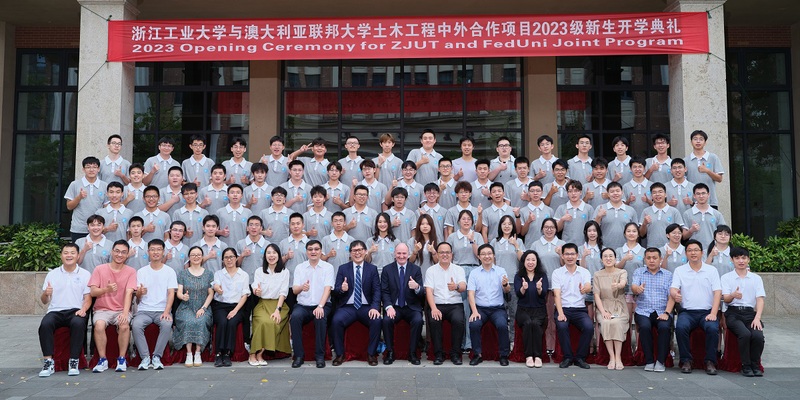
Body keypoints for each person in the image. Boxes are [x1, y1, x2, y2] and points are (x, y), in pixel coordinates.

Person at [38, 244, 92, 377]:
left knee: (78, 323)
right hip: (55, 311)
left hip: (75, 310)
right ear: (61, 255)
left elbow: (88, 298)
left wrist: (84, 309)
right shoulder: (52, 274)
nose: (69, 255)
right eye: (66, 253)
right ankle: (48, 362)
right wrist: (46, 293)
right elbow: (44, 301)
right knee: (45, 325)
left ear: (78, 256)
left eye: (72, 253)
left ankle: (74, 361)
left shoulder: (85, 274)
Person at [671, 239, 721, 375]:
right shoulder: (680, 270)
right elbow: (673, 288)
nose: (693, 253)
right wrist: (675, 294)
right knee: (680, 327)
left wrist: (713, 313)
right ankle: (686, 360)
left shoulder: (711, 270)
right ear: (686, 253)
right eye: (690, 250)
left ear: (702, 253)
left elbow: (717, 292)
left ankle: (710, 361)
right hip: (687, 312)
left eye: (696, 250)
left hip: (707, 312)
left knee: (712, 328)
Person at [89, 240, 137, 373]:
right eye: (117, 251)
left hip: (121, 309)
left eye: (123, 252)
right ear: (112, 251)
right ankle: (102, 359)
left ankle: (121, 358)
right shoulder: (99, 269)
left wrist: (125, 313)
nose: (119, 255)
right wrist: (106, 289)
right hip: (102, 309)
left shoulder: (131, 271)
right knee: (99, 325)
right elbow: (93, 292)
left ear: (127, 255)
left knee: (124, 325)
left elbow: (129, 293)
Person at [331, 240, 382, 366]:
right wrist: (342, 289)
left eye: (360, 250)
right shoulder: (343, 268)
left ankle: (371, 354)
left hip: (366, 307)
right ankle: (340, 354)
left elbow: (377, 290)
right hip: (347, 307)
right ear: (350, 253)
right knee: (336, 320)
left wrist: (375, 307)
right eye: (354, 251)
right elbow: (336, 290)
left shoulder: (372, 269)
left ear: (365, 252)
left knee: (376, 320)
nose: (357, 253)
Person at [132, 239, 178, 371]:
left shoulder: (169, 271)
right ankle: (145, 357)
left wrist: (166, 311)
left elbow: (171, 293)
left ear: (163, 252)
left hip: (161, 310)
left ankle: (157, 356)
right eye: (152, 249)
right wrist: (139, 293)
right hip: (144, 310)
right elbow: (138, 297)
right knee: (136, 325)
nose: (155, 252)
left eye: (158, 249)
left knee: (166, 324)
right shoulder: (141, 271)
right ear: (148, 252)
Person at [289, 240, 335, 368]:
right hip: (303, 305)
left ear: (321, 251)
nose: (313, 252)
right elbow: (294, 290)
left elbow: (328, 289)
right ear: (306, 252)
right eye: (310, 249)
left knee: (320, 317)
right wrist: (301, 288)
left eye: (316, 249)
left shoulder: (328, 267)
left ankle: (319, 356)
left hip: (322, 304)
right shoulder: (300, 267)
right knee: (295, 317)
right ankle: (298, 355)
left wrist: (320, 306)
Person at [722, 247, 766, 377]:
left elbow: (760, 299)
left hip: (750, 314)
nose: (741, 261)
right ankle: (745, 365)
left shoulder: (756, 278)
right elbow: (725, 299)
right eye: (737, 258)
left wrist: (757, 318)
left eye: (743, 258)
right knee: (745, 334)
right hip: (733, 313)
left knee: (758, 336)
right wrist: (733, 295)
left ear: (748, 260)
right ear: (732, 260)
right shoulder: (726, 277)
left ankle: (755, 365)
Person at [631, 247, 675, 373]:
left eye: (654, 258)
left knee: (664, 327)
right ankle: (649, 361)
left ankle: (660, 361)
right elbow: (634, 286)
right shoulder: (639, 272)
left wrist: (666, 313)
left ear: (660, 259)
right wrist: (638, 289)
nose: (651, 261)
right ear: (644, 259)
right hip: (643, 311)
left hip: (662, 311)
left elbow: (671, 297)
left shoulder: (668, 275)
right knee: (644, 327)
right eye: (648, 258)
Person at [467, 244, 512, 366]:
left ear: (493, 255)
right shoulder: (474, 273)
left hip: (497, 308)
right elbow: (470, 293)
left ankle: (503, 355)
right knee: (474, 324)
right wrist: (474, 311)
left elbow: (507, 290)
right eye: (483, 254)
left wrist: (505, 285)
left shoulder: (501, 271)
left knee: (502, 325)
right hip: (480, 308)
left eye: (489, 253)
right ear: (479, 257)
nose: (487, 256)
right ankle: (477, 354)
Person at [381, 243, 424, 365]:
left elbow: (422, 292)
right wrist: (388, 307)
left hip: (411, 307)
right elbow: (384, 291)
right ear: (394, 254)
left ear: (408, 254)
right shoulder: (387, 269)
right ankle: (390, 352)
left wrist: (416, 287)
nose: (401, 256)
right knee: (387, 320)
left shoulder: (415, 269)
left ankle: (412, 353)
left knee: (418, 320)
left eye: (404, 253)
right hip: (394, 307)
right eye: (399, 253)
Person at [424, 241, 467, 365]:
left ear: (452, 254)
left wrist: (456, 286)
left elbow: (463, 286)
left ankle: (455, 354)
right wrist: (433, 308)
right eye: (442, 252)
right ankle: (438, 354)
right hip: (437, 304)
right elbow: (429, 291)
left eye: (447, 252)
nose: (445, 255)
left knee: (458, 320)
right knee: (434, 320)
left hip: (455, 304)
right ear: (437, 254)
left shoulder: (458, 269)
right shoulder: (431, 270)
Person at [551, 243, 593, 369]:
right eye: (567, 254)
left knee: (589, 327)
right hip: (563, 308)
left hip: (580, 309)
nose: (570, 257)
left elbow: (588, 286)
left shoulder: (584, 272)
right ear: (562, 256)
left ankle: (580, 358)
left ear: (577, 255)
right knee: (562, 325)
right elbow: (556, 295)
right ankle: (567, 357)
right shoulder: (557, 273)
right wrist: (560, 313)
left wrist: (585, 289)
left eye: (572, 254)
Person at [249, 244, 291, 366]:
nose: (271, 255)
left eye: (274, 253)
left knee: (272, 323)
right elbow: (255, 286)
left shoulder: (285, 272)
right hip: (263, 304)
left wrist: (278, 310)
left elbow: (283, 292)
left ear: (278, 255)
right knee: (263, 322)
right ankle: (252, 354)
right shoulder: (259, 271)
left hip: (279, 305)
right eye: (268, 253)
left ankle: (260, 354)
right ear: (265, 255)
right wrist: (256, 291)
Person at [172, 246, 214, 368]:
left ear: (202, 257)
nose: (196, 257)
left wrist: (203, 308)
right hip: (186, 306)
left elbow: (211, 293)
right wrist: (182, 296)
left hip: (203, 306)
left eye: (198, 255)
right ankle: (189, 353)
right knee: (188, 321)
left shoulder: (208, 274)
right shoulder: (183, 273)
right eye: (193, 255)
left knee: (201, 321)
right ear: (189, 257)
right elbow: (179, 292)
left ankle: (198, 353)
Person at [529, 217, 564, 354]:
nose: (549, 230)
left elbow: (566, 265)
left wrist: (561, 254)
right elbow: (531, 264)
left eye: (552, 227)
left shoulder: (562, 244)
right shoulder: (535, 245)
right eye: (546, 227)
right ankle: (543, 346)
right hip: (540, 287)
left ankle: (554, 346)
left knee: (555, 317)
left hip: (557, 287)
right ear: (542, 229)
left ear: (556, 229)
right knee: (543, 317)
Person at [211, 247, 250, 367]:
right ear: (223, 260)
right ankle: (219, 353)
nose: (229, 260)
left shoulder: (243, 275)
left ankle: (228, 353)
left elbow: (244, 295)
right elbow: (216, 285)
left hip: (237, 306)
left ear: (236, 258)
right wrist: (217, 288)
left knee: (232, 322)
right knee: (222, 322)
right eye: (226, 257)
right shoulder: (219, 273)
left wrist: (235, 310)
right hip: (220, 306)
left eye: (231, 257)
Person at [593, 248, 629, 370]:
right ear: (601, 259)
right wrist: (603, 312)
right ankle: (611, 357)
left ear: (615, 258)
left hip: (619, 307)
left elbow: (623, 282)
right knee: (606, 322)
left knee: (616, 322)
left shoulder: (622, 272)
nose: (608, 258)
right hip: (603, 306)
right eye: (605, 256)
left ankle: (618, 357)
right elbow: (596, 295)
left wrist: (619, 285)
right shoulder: (597, 275)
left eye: (611, 256)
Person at [514, 250, 548, 368]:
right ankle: (529, 356)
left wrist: (539, 288)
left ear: (537, 262)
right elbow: (519, 294)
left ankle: (538, 356)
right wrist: (523, 288)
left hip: (539, 310)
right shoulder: (519, 276)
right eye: (528, 260)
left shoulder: (542, 276)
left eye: (533, 260)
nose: (530, 262)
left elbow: (543, 294)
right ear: (523, 261)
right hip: (523, 310)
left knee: (535, 324)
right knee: (528, 323)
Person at [65, 156, 108, 242]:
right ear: (83, 169)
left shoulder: (105, 186)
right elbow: (69, 206)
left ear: (98, 169)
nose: (91, 170)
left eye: (94, 167)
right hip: (79, 228)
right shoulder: (75, 184)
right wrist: (79, 197)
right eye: (88, 167)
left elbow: (106, 208)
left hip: (98, 229)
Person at [592, 181, 638, 252]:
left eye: (617, 191)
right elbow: (593, 229)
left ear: (622, 192)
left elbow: (636, 232)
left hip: (626, 249)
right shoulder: (600, 208)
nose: (615, 193)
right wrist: (598, 216)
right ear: (608, 194)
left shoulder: (631, 210)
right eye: (612, 191)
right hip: (605, 249)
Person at [639, 182, 685, 250]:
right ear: (651, 196)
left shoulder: (674, 211)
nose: (657, 194)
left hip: (670, 249)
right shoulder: (646, 211)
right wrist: (644, 224)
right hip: (652, 249)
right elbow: (641, 234)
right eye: (654, 192)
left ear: (665, 194)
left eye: (660, 192)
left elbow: (680, 232)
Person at [685, 130, 724, 208]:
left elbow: (719, 179)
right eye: (695, 139)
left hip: (711, 201)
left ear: (705, 142)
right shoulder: (686, 160)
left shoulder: (713, 157)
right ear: (691, 142)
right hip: (692, 202)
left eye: (701, 139)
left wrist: (707, 171)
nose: (698, 141)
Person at [555, 180, 595, 245]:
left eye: (576, 191)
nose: (573, 194)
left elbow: (593, 228)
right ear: (567, 193)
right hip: (566, 245)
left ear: (581, 192)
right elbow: (557, 229)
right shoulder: (561, 208)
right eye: (570, 191)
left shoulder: (588, 208)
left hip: (584, 245)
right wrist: (562, 220)